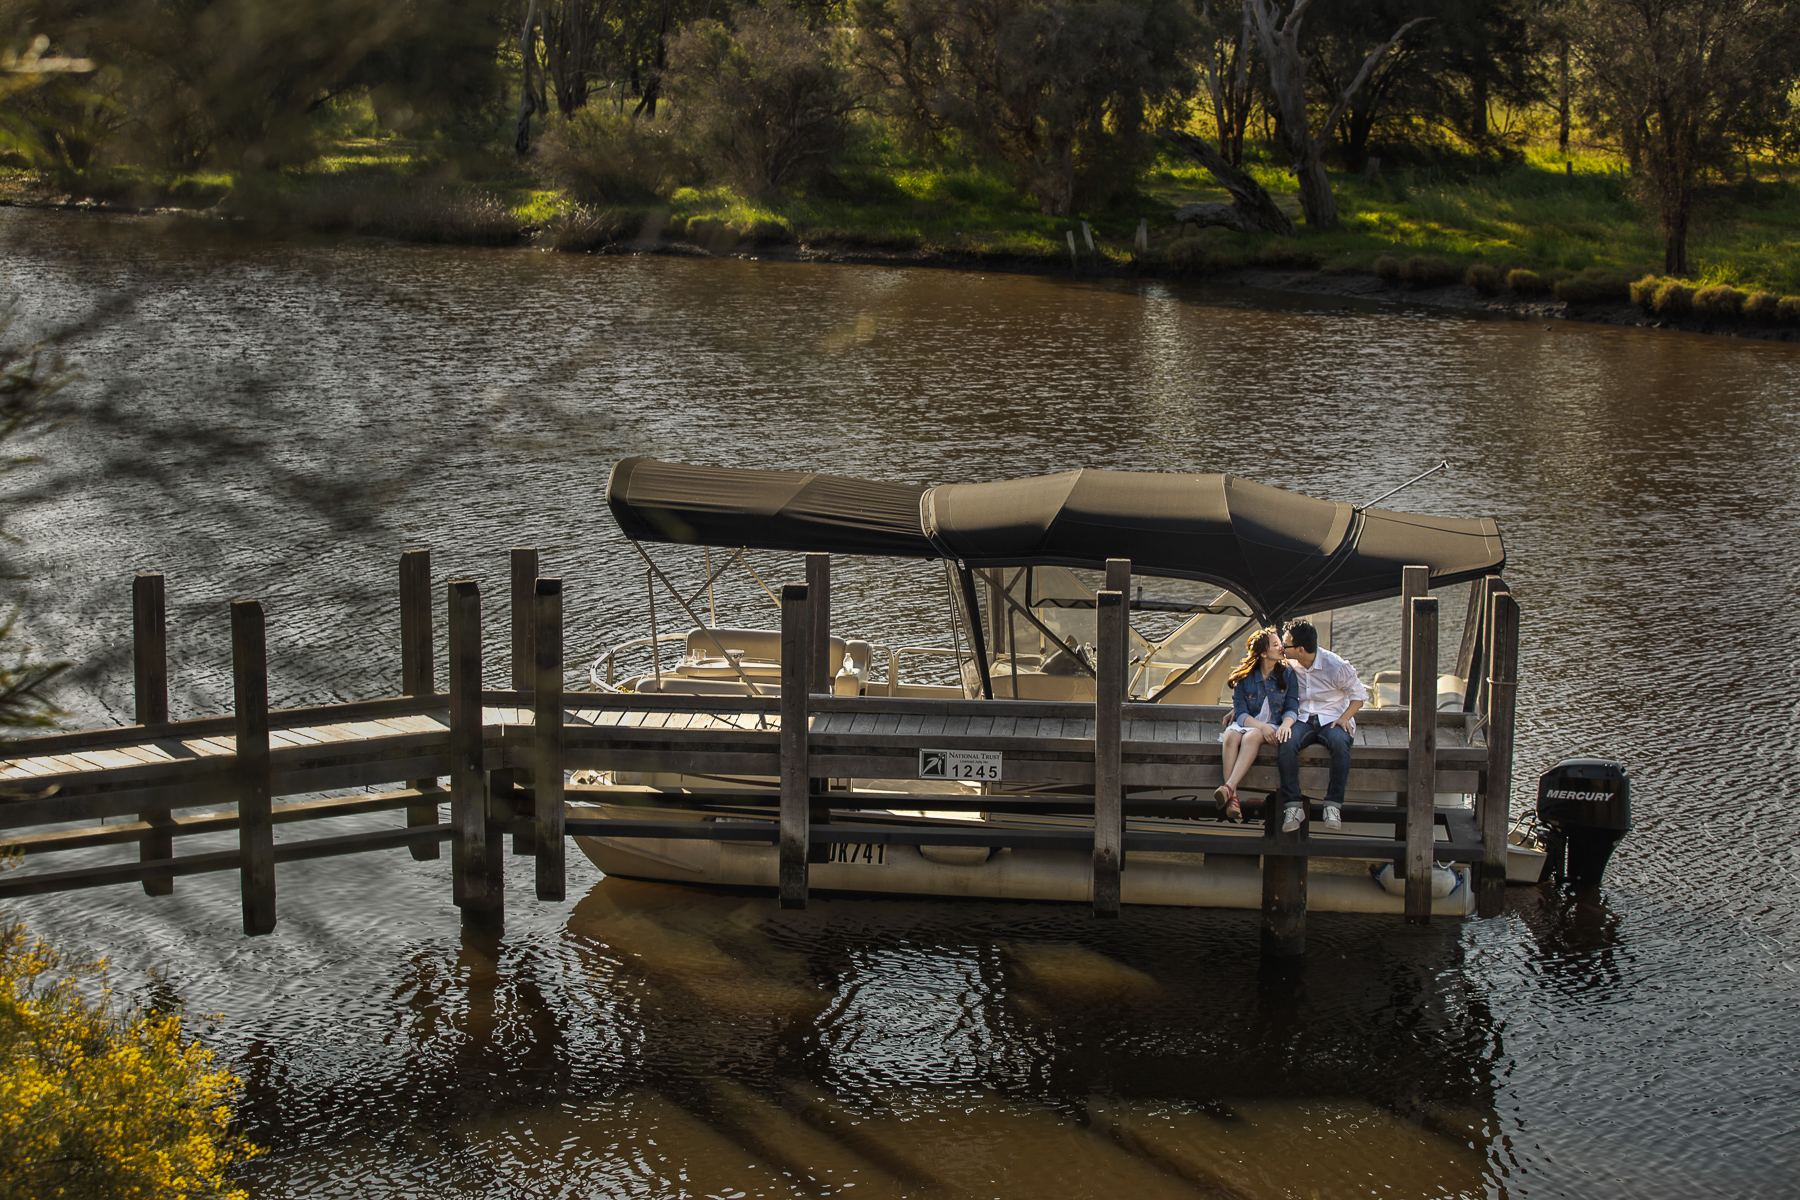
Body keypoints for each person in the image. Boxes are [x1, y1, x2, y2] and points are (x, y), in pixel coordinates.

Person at [1274, 619, 1367, 833]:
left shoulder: (1335, 666)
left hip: (1332, 718)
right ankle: (1293, 806)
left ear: (1300, 650)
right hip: (1303, 718)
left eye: (1285, 644)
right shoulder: (1289, 663)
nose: (1281, 647)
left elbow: (1359, 696)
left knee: (1340, 743)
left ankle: (1333, 805)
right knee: (1286, 743)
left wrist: (1345, 718)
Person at [1214, 627, 1296, 821]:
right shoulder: (1244, 676)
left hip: (1274, 724)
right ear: (1264, 652)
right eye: (1276, 645)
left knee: (1251, 736)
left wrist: (1283, 725)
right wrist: (1261, 726)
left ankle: (1228, 788)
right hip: (1252, 722)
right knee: (1230, 736)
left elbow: (1292, 706)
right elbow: (1241, 713)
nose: (1281, 647)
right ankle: (1233, 797)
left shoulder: (1288, 674)